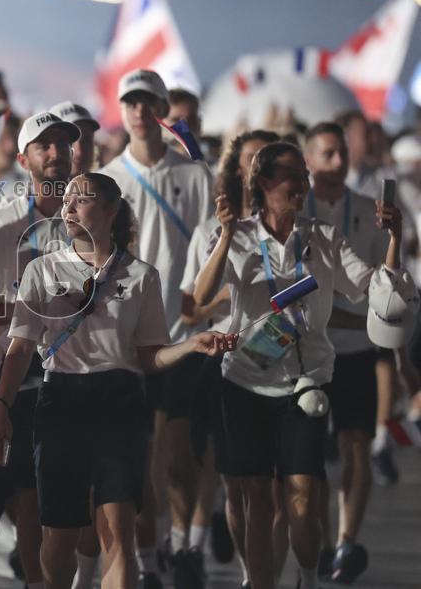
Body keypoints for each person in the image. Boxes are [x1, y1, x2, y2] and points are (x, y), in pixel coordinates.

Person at [0, 173, 233, 588]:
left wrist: (192, 345)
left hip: (120, 401)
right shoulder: (41, 270)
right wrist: (1, 407)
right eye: (66, 200)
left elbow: (149, 356)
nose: (68, 208)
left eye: (81, 200)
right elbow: (20, 349)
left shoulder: (141, 275)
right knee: (61, 534)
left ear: (110, 210)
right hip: (61, 400)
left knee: (119, 529)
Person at [193, 141, 408, 589]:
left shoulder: (324, 237)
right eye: (294, 176)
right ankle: (260, 582)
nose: (304, 184)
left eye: (305, 176)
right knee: (256, 497)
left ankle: (307, 576)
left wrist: (394, 241)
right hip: (245, 381)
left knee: (303, 500)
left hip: (304, 384)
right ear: (265, 182)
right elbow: (200, 294)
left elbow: (375, 289)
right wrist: (228, 234)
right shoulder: (239, 234)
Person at [100, 69, 213, 588]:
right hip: (130, 337)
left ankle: (186, 542)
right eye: (131, 102)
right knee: (146, 453)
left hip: (185, 329)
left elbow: (212, 246)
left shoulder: (194, 175)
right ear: (121, 110)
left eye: (149, 103)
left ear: (162, 109)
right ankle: (152, 558)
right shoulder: (111, 180)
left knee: (179, 451)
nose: (140, 112)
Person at [0, 111, 81, 589]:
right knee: (28, 494)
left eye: (63, 144)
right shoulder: (3, 224)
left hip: (88, 366)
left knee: (90, 498)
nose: (56, 154)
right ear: (24, 159)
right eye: (45, 146)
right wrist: (25, 318)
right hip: (26, 365)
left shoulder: (97, 210)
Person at [179, 130, 279, 588]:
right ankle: (247, 571)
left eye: (268, 159)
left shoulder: (293, 226)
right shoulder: (211, 229)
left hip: (283, 359)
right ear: (237, 168)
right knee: (235, 484)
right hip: (226, 360)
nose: (259, 168)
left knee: (272, 485)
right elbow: (193, 306)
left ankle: (265, 576)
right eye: (252, 159)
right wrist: (233, 286)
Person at [302, 122, 389, 583]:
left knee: (356, 444)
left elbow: (385, 284)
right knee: (312, 456)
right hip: (311, 351)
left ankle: (347, 541)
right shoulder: (297, 213)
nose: (338, 162)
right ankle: (317, 537)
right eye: (328, 154)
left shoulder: (368, 210)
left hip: (357, 349)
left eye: (342, 154)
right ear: (310, 159)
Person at [50, 102, 100, 175]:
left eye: (87, 140)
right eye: (69, 142)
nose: (79, 152)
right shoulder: (29, 185)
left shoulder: (111, 184)